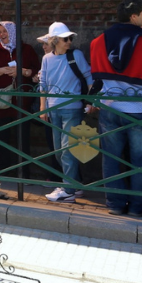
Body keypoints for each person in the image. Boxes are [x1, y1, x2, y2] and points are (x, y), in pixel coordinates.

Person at [89, 0, 142, 218]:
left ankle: (114, 203)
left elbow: (98, 79)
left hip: (110, 108)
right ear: (134, 16)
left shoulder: (98, 41)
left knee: (111, 158)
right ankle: (137, 207)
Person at [37, 22, 94, 203]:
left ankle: (68, 189)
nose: (69, 41)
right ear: (55, 41)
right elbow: (43, 84)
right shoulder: (46, 58)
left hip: (72, 108)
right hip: (53, 109)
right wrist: (43, 107)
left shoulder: (76, 55)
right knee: (58, 151)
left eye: (70, 38)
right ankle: (74, 185)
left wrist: (91, 101)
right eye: (65, 39)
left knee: (67, 150)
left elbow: (89, 78)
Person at [0, 20, 42, 176]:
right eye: (0, 32)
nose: (2, 34)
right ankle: (3, 173)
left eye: (5, 31)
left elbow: (37, 71)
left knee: (22, 138)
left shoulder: (27, 49)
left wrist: (23, 71)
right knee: (1, 138)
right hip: (2, 101)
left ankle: (23, 173)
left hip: (21, 101)